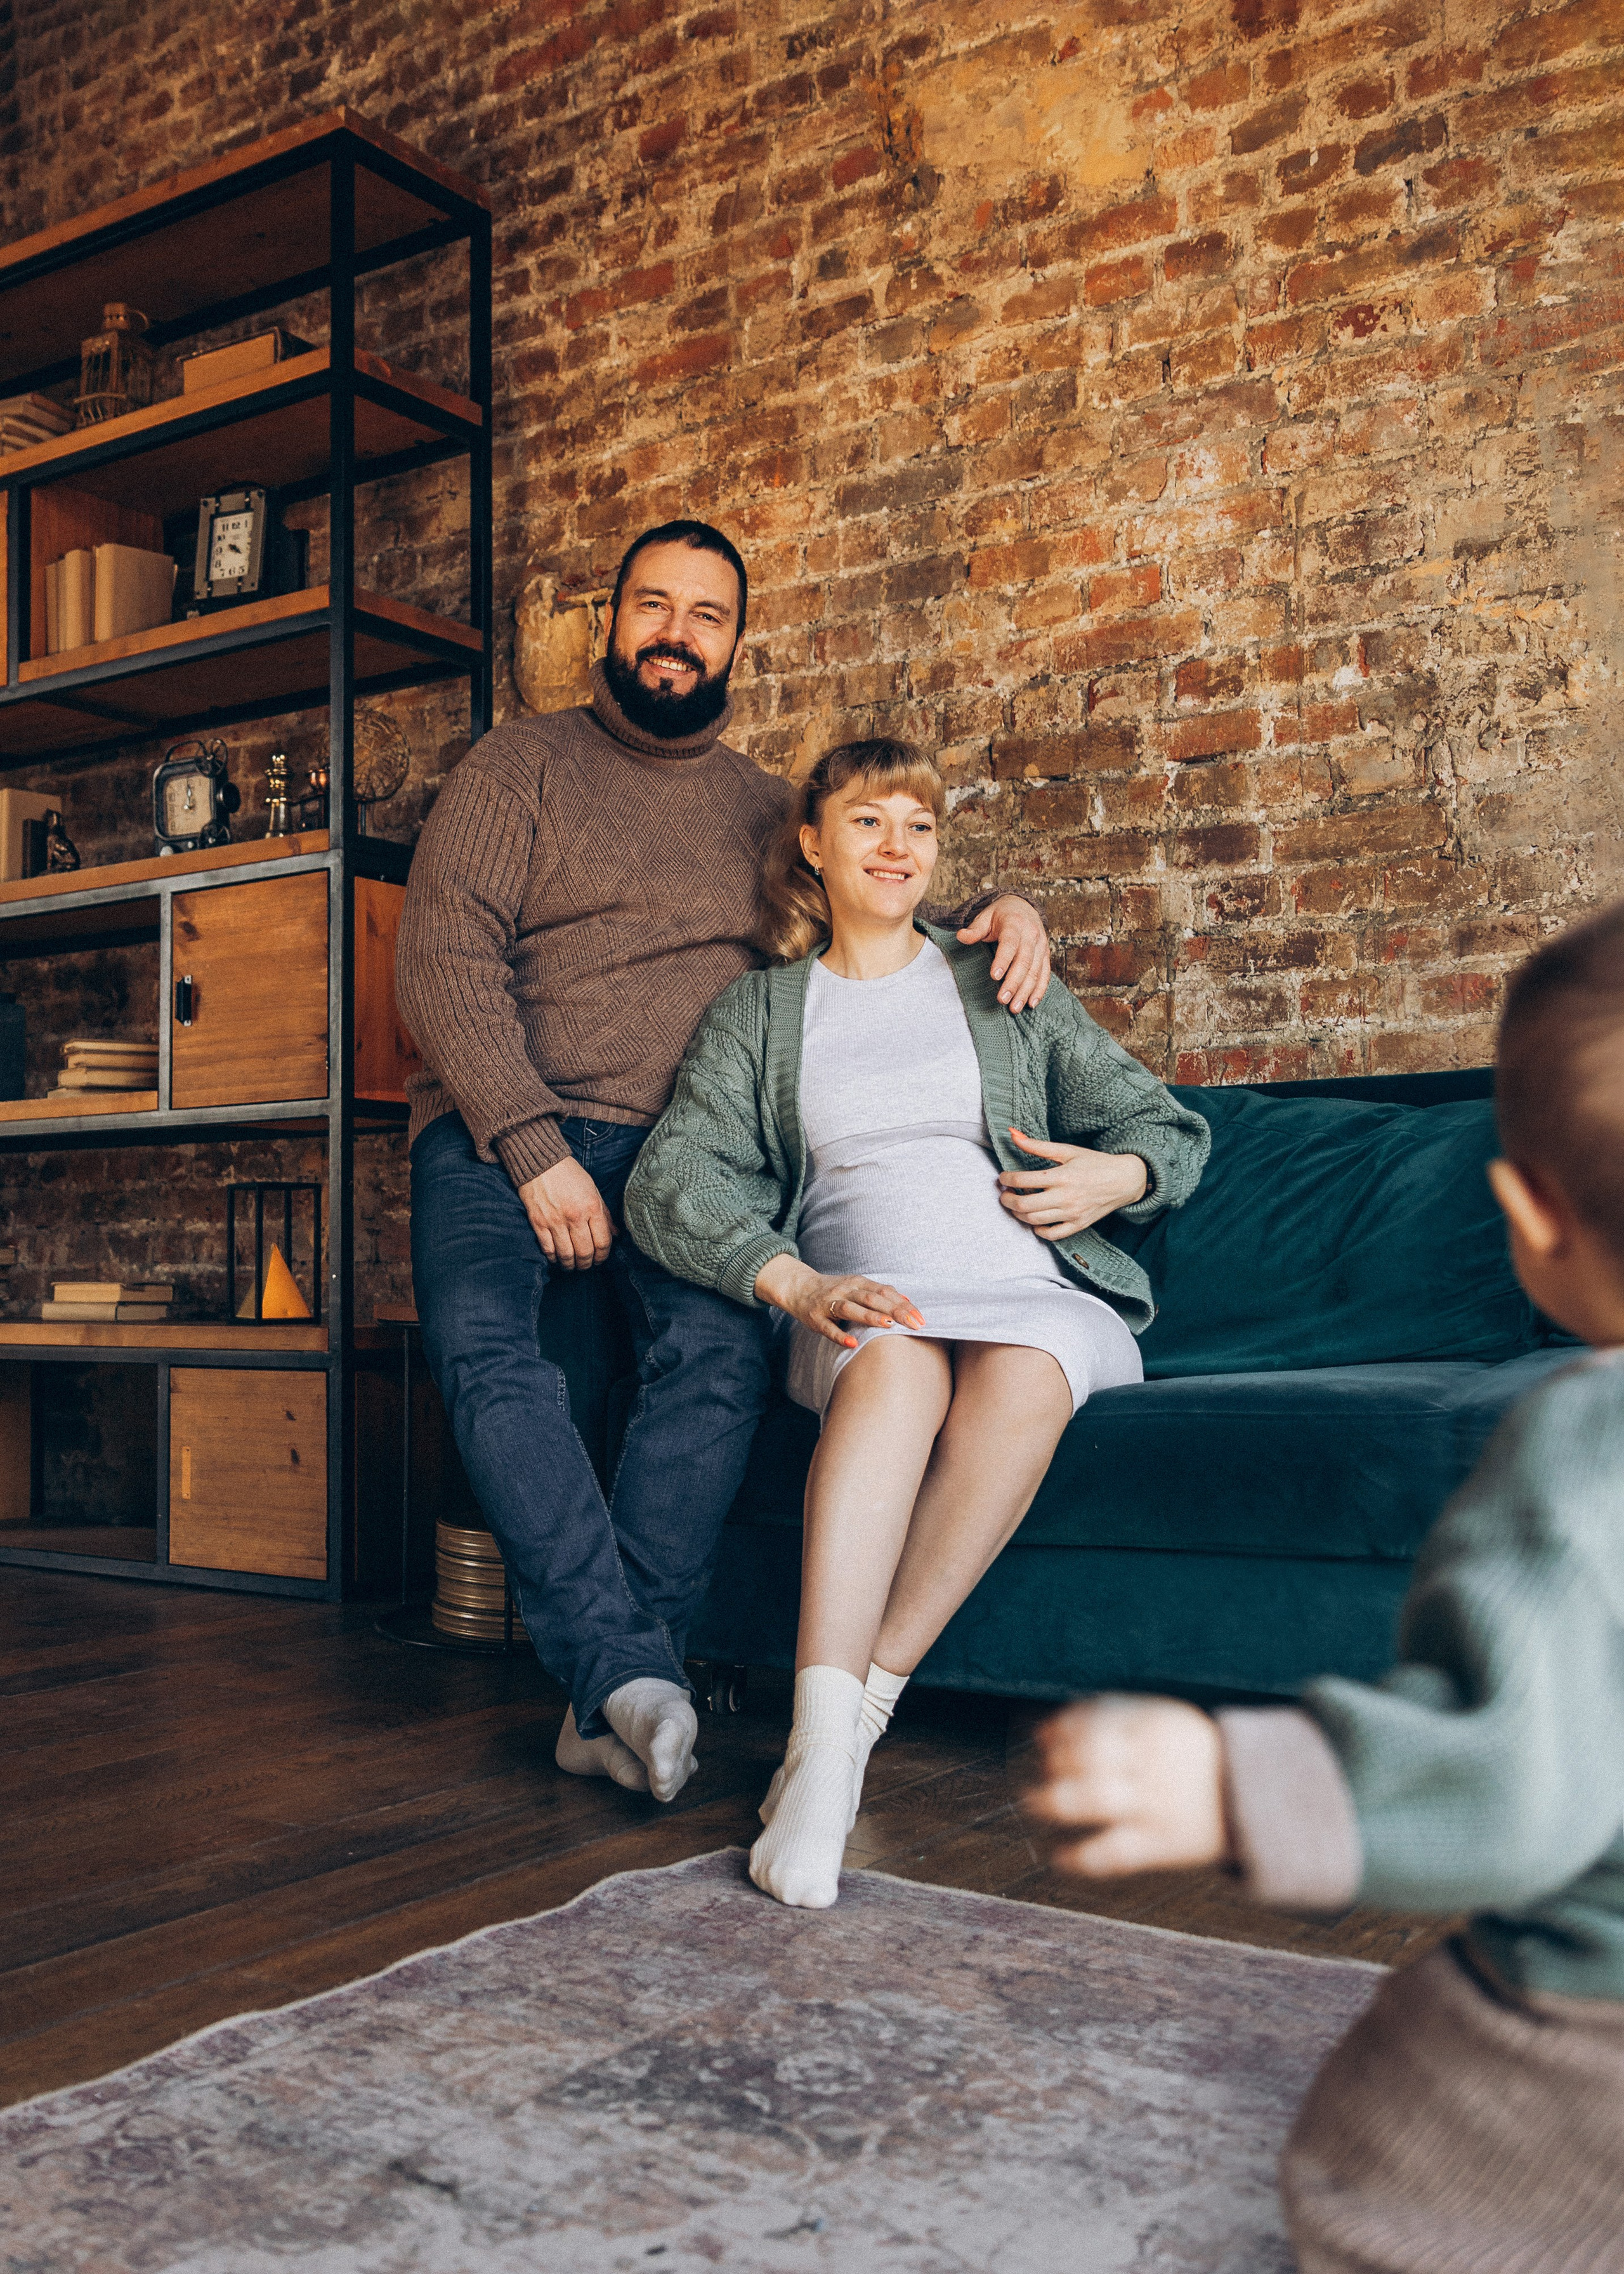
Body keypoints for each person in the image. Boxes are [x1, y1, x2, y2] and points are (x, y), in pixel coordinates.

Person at [395, 521, 1051, 1805]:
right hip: (499, 1129)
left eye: (706, 615)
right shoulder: (516, 767)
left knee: (719, 1357)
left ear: (737, 642)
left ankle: (608, 1692)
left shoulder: (766, 810)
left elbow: (884, 905)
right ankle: (631, 1671)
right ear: (611, 622)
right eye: (653, 605)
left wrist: (1006, 915)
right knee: (484, 1346)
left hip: (685, 1159)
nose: (676, 634)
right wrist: (530, 1144)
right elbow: (442, 959)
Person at [1024, 901, 1624, 2273]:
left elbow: (1507, 1778)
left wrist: (1231, 1782)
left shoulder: (1586, 1447)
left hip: (1589, 2031)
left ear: (1527, 1219)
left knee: (1362, 2168)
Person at [623, 737, 1209, 1905]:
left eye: (920, 826)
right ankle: (826, 1744)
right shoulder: (760, 1013)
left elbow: (1164, 1125)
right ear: (813, 844)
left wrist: (1119, 1177)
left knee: (1029, 1370)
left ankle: (836, 1748)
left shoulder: (997, 979)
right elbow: (670, 1180)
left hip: (1028, 1294)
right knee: (893, 1371)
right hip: (861, 1298)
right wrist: (795, 1285)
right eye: (869, 822)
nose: (898, 848)